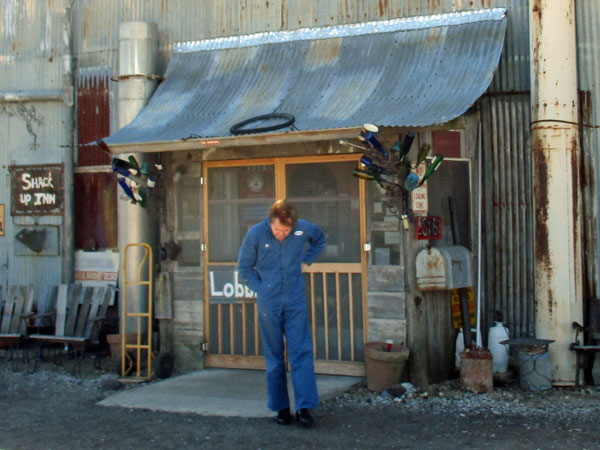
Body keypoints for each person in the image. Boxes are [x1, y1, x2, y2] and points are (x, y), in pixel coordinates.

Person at [237, 199, 325, 427]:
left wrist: (307, 260)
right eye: (277, 230)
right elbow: (244, 268)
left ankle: (304, 408)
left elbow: (319, 239)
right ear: (270, 222)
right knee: (275, 357)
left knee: (301, 352)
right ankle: (281, 408)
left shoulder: (303, 228)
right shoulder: (256, 234)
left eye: (286, 231)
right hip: (269, 303)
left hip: (295, 299)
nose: (281, 235)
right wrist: (262, 289)